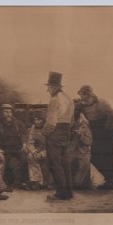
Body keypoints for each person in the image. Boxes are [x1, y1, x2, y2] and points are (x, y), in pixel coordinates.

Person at [77, 85, 113, 190]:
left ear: (90, 94)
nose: (82, 97)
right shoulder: (82, 103)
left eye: (84, 94)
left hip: (107, 132)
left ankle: (111, 181)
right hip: (96, 131)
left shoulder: (101, 103)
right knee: (93, 156)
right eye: (81, 94)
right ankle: (112, 178)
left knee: (107, 156)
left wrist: (106, 127)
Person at [42, 72, 75, 201]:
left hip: (55, 132)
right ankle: (69, 192)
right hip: (66, 131)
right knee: (65, 162)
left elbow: (51, 122)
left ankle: (61, 193)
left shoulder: (54, 100)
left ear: (54, 87)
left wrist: (44, 133)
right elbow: (71, 120)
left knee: (55, 164)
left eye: (49, 87)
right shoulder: (68, 98)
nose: (47, 89)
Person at [0, 103, 27, 189]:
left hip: (18, 147)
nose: (8, 114)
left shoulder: (18, 123)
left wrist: (24, 143)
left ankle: (24, 181)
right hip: (4, 148)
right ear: (1, 113)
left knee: (24, 158)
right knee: (6, 161)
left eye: (10, 112)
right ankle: (8, 182)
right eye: (6, 112)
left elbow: (24, 134)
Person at [21, 111, 53, 190]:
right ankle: (36, 181)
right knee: (30, 156)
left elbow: (53, 145)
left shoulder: (50, 128)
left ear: (43, 120)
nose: (36, 122)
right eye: (35, 120)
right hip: (41, 148)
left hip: (51, 149)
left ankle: (50, 182)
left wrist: (43, 153)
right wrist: (34, 151)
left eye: (39, 120)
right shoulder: (33, 128)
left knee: (49, 160)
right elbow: (30, 142)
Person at [68, 107, 93, 190]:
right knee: (63, 163)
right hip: (70, 150)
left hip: (83, 152)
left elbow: (89, 142)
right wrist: (71, 136)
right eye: (74, 110)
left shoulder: (85, 126)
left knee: (85, 163)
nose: (76, 113)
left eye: (78, 111)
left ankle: (77, 183)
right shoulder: (67, 124)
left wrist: (81, 136)